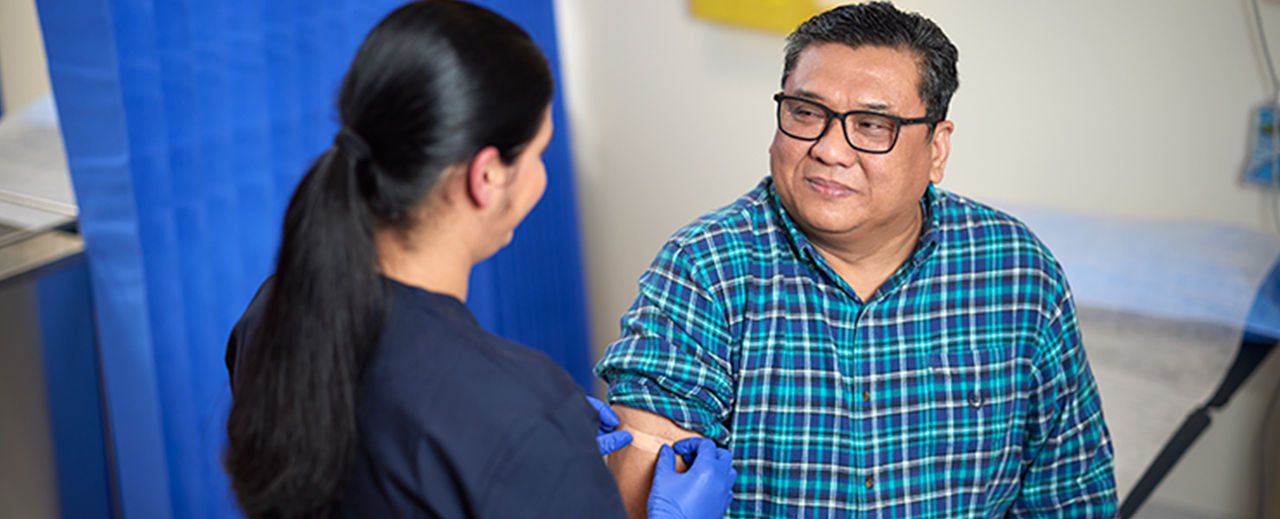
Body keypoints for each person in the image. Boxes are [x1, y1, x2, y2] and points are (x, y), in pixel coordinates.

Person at [595, 2, 1118, 517]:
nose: (829, 149)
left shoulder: (1016, 271)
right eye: (806, 113)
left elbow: (1071, 495)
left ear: (936, 149)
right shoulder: (705, 269)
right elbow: (643, 484)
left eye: (871, 125)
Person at [222, 1, 736, 517]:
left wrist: (542, 443)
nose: (542, 176)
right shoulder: (520, 413)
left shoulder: (271, 312)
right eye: (538, 153)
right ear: (486, 176)